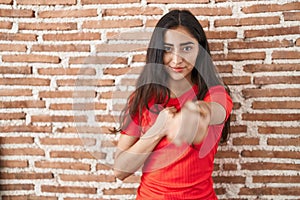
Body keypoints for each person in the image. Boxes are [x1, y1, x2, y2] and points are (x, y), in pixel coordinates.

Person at [112, 9, 233, 200]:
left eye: (186, 48)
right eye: (168, 49)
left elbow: (214, 110)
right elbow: (120, 170)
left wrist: (196, 112)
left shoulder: (214, 93)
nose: (176, 60)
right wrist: (158, 130)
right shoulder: (143, 97)